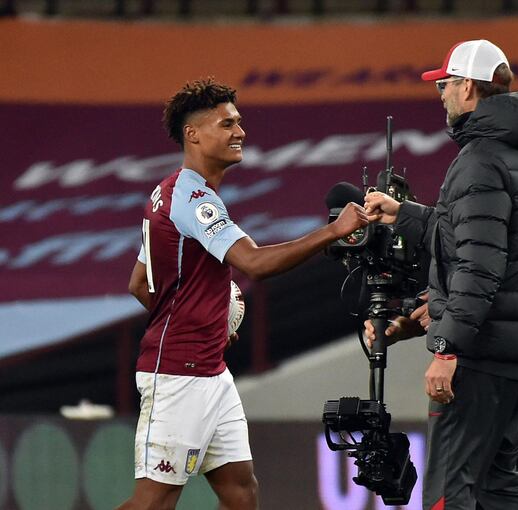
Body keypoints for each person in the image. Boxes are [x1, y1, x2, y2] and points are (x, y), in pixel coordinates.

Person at [119, 78, 368, 510]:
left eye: (240, 122)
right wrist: (334, 231)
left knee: (241, 491)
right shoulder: (195, 199)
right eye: (227, 123)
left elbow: (140, 284)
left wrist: (207, 322)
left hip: (210, 371)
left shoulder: (167, 191)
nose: (240, 132)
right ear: (193, 134)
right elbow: (254, 263)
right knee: (154, 503)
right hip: (179, 374)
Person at [364, 39, 518, 510]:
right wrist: (403, 214)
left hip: (482, 355)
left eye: (447, 84)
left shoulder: (480, 158)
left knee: (448, 493)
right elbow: (476, 237)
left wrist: (447, 348)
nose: (443, 95)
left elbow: (478, 265)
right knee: (499, 488)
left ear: (469, 87)